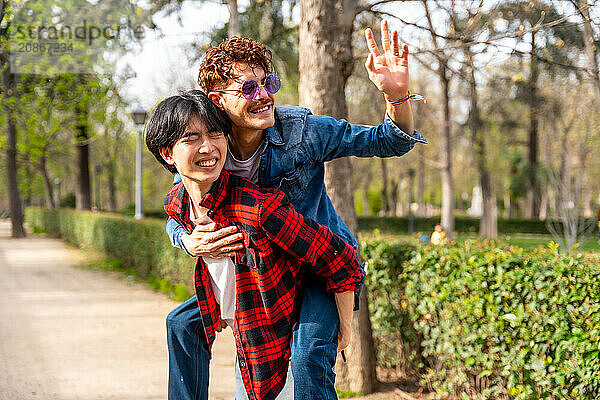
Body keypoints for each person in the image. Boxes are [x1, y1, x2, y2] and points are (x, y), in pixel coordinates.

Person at [165, 20, 428, 400]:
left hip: (317, 268)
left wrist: (397, 97)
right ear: (217, 99)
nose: (264, 96)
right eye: (248, 88)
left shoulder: (302, 131)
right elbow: (176, 210)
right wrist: (189, 241)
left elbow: (388, 140)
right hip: (261, 278)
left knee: (307, 358)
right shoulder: (208, 148)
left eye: (268, 84)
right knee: (182, 324)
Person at [146, 91, 364, 400]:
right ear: (167, 153)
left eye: (215, 134)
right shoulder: (177, 202)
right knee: (180, 323)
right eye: (191, 138)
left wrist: (343, 328)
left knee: (304, 364)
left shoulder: (258, 209)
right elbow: (197, 248)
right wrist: (188, 244)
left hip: (278, 303)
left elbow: (340, 258)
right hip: (243, 298)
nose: (208, 147)